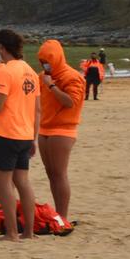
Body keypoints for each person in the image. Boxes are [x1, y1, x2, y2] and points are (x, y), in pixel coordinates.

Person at [0, 28, 39, 241]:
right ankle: (29, 232)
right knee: (23, 182)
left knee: (4, 184)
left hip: (6, 132)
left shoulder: (5, 71)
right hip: (25, 133)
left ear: (1, 47)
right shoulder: (30, 70)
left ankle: (12, 232)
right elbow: (37, 109)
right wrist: (34, 138)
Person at [36, 39, 85, 227]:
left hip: (63, 129)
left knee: (59, 173)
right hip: (44, 128)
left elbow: (70, 102)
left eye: (48, 61)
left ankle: (62, 217)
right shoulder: (42, 76)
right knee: (51, 174)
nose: (45, 65)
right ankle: (57, 214)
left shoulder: (72, 76)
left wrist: (51, 86)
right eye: (42, 62)